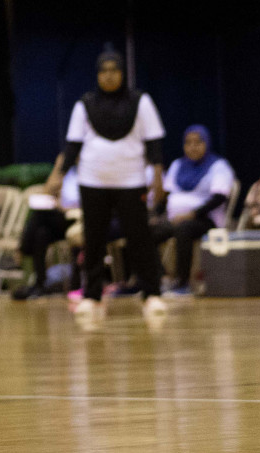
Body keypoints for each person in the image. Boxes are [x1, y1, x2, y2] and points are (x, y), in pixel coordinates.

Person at [48, 46, 166, 320]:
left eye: (115, 71)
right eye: (104, 71)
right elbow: (73, 145)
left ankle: (152, 293)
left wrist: (158, 177)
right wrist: (58, 175)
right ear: (98, 75)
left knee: (140, 238)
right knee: (94, 239)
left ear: (122, 74)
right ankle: (92, 296)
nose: (110, 76)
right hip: (92, 181)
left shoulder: (141, 102)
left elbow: (154, 144)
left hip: (131, 181)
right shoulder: (85, 104)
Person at [152, 125, 234, 297]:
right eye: (188, 143)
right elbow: (166, 196)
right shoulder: (178, 165)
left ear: (207, 143)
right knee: (147, 231)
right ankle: (162, 279)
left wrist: (191, 214)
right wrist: (156, 216)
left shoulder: (218, 166)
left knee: (184, 229)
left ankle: (183, 283)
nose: (193, 147)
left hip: (206, 220)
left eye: (198, 142)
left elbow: (219, 198)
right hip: (176, 219)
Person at [12, 152, 81, 300]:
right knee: (41, 233)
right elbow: (46, 192)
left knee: (40, 217)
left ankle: (21, 250)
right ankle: (40, 284)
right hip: (63, 219)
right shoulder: (66, 171)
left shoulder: (93, 169)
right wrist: (59, 168)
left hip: (83, 219)